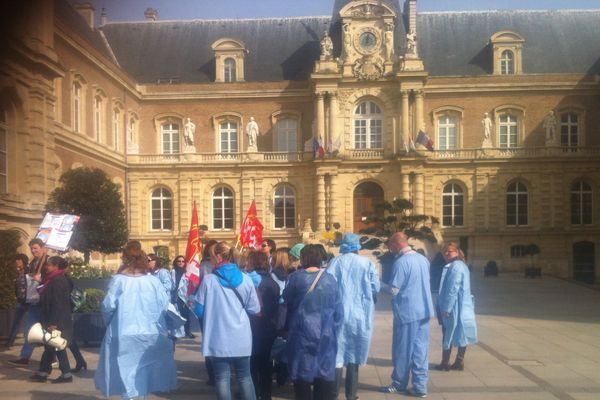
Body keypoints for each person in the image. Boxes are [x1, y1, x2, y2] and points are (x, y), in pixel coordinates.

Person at [95, 240, 176, 399]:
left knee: (125, 372)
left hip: (122, 331)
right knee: (145, 372)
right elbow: (165, 305)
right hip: (151, 332)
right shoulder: (153, 281)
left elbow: (108, 306)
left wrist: (110, 323)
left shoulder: (118, 280)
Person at [191, 241, 260, 400]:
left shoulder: (209, 280)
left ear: (220, 257)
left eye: (212, 256)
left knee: (222, 378)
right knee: (245, 377)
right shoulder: (246, 278)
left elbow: (199, 311)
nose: (211, 259)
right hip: (241, 336)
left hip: (218, 336)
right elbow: (255, 309)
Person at [283, 244, 343, 400]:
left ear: (304, 258)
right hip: (326, 334)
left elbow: (286, 298)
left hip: (301, 334)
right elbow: (339, 311)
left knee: (301, 376)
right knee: (323, 375)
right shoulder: (330, 279)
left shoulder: (296, 278)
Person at [327, 233, 380, 400]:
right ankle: (351, 394)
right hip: (360, 315)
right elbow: (375, 287)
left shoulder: (335, 262)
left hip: (338, 314)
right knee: (354, 355)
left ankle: (333, 394)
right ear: (358, 246)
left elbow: (328, 285)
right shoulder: (367, 263)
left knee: (337, 355)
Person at [381, 232, 434, 398]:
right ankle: (420, 386)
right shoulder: (423, 259)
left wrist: (377, 283)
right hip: (424, 309)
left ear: (396, 244)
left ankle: (399, 384)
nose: (390, 250)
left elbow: (394, 290)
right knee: (420, 350)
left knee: (403, 350)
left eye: (390, 246)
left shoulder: (401, 262)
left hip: (407, 312)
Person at [29, 256, 73, 383]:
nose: (46, 266)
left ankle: (66, 374)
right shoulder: (52, 279)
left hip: (56, 320)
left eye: (49, 264)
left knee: (56, 345)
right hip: (52, 318)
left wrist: (53, 323)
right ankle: (44, 372)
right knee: (50, 346)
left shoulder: (58, 280)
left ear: (56, 266)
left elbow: (57, 303)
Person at [435, 242, 478, 371]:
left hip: (455, 307)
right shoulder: (461, 265)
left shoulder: (455, 266)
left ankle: (445, 362)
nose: (447, 253)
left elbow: (452, 289)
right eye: (445, 251)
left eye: (450, 251)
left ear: (457, 252)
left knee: (447, 332)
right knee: (462, 332)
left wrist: (447, 308)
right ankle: (459, 362)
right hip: (463, 306)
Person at [246, 250, 280, 400]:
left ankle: (253, 393)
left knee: (252, 363)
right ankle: (266, 395)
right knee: (266, 363)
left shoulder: (247, 280)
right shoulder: (273, 282)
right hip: (268, 327)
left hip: (251, 327)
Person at [9, 238, 48, 366]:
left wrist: (42, 279)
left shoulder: (48, 261)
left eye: (35, 248)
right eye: (32, 248)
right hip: (33, 300)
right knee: (30, 330)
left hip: (44, 302)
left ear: (42, 247)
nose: (33, 251)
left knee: (48, 331)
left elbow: (54, 281)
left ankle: (53, 357)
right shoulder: (33, 262)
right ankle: (25, 357)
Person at [5, 254, 30, 348]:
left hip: (29, 300)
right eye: (16, 260)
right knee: (16, 321)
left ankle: (31, 341)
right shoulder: (18, 272)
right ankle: (10, 341)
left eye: (18, 260)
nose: (16, 262)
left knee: (30, 321)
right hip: (21, 300)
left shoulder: (29, 270)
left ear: (23, 261)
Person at [171, 255, 195, 338]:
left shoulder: (187, 273)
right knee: (176, 314)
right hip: (175, 296)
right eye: (179, 261)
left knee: (186, 315)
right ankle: (177, 332)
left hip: (184, 296)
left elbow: (190, 285)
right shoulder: (173, 272)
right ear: (176, 262)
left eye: (182, 261)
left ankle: (187, 331)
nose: (181, 263)